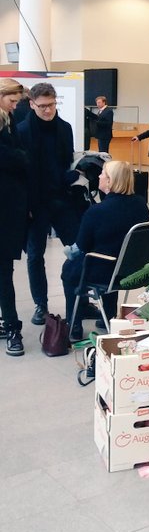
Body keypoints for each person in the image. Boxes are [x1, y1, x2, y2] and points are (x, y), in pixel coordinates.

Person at [16, 81, 82, 325]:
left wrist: (72, 175)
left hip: (61, 199)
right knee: (35, 255)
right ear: (32, 104)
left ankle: (81, 300)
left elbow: (67, 160)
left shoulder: (64, 128)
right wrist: (27, 206)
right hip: (35, 204)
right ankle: (40, 304)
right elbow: (22, 173)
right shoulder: (22, 131)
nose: (48, 110)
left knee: (77, 250)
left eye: (51, 105)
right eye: (42, 106)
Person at [62, 159, 149, 340]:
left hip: (105, 272)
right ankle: (108, 318)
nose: (100, 176)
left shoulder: (97, 212)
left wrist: (68, 251)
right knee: (115, 258)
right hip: (131, 270)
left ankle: (74, 326)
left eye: (103, 173)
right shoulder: (141, 205)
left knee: (69, 269)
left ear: (110, 181)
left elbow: (81, 247)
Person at [0, 79, 29, 356]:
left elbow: (20, 158)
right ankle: (10, 326)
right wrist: (18, 157)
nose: (16, 105)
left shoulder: (8, 121)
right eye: (13, 99)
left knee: (4, 271)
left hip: (8, 209)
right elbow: (16, 158)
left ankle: (10, 324)